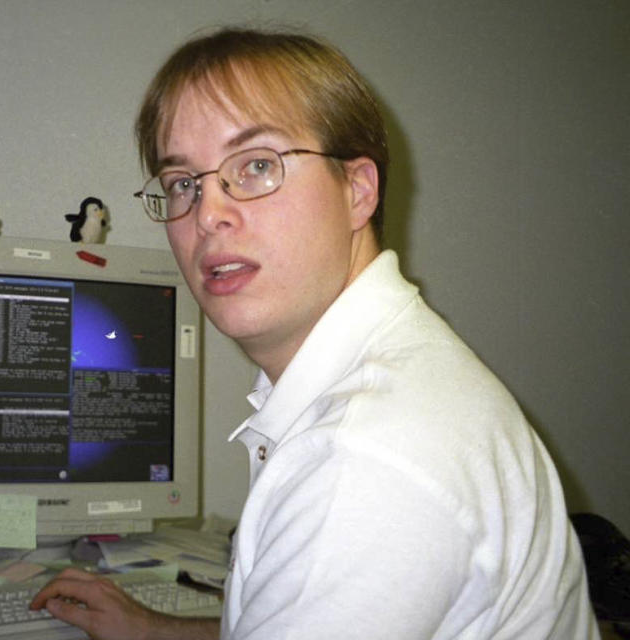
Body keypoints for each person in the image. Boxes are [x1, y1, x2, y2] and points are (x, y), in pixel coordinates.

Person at [30, 27, 599, 639]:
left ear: (357, 191)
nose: (208, 212)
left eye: (256, 166)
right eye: (182, 184)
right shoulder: (386, 374)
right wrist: (153, 630)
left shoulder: (365, 461)